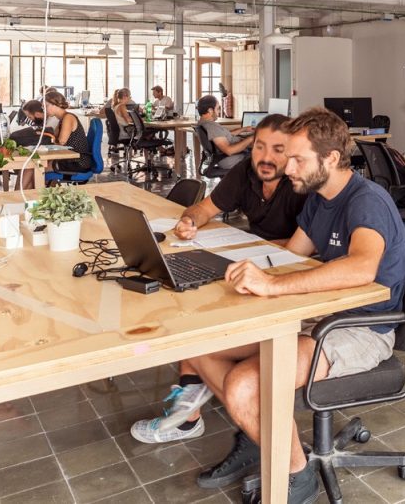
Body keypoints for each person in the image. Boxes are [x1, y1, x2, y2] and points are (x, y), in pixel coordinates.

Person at [156, 108, 405, 499]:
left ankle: (296, 473)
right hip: (318, 313)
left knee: (243, 387)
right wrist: (219, 259)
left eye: (297, 159)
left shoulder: (366, 201)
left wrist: (273, 288)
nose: (287, 167)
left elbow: (362, 267)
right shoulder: (320, 199)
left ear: (331, 159)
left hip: (359, 328)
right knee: (197, 342)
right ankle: (260, 438)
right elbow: (290, 256)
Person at [130, 114, 307, 443]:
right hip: (251, 267)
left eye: (278, 150)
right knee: (188, 301)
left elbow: (304, 249)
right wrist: (189, 222)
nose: (266, 157)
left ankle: (200, 414)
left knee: (199, 318)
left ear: (294, 153)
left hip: (289, 277)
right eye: (259, 147)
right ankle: (190, 410)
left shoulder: (301, 183)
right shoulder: (245, 173)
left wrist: (248, 248)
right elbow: (205, 208)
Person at [20, 90, 94, 188]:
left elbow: (60, 142)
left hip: (77, 161)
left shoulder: (68, 118)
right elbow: (54, 139)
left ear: (54, 105)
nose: (43, 109)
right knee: (32, 166)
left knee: (34, 168)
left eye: (45, 106)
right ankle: (24, 196)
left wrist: (49, 140)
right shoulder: (62, 119)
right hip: (69, 158)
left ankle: (24, 196)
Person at [196, 94, 255, 169]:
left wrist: (244, 129)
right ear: (210, 110)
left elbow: (224, 136)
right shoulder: (212, 127)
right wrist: (250, 139)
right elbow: (229, 150)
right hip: (233, 159)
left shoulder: (204, 123)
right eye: (217, 109)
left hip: (229, 157)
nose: (219, 112)